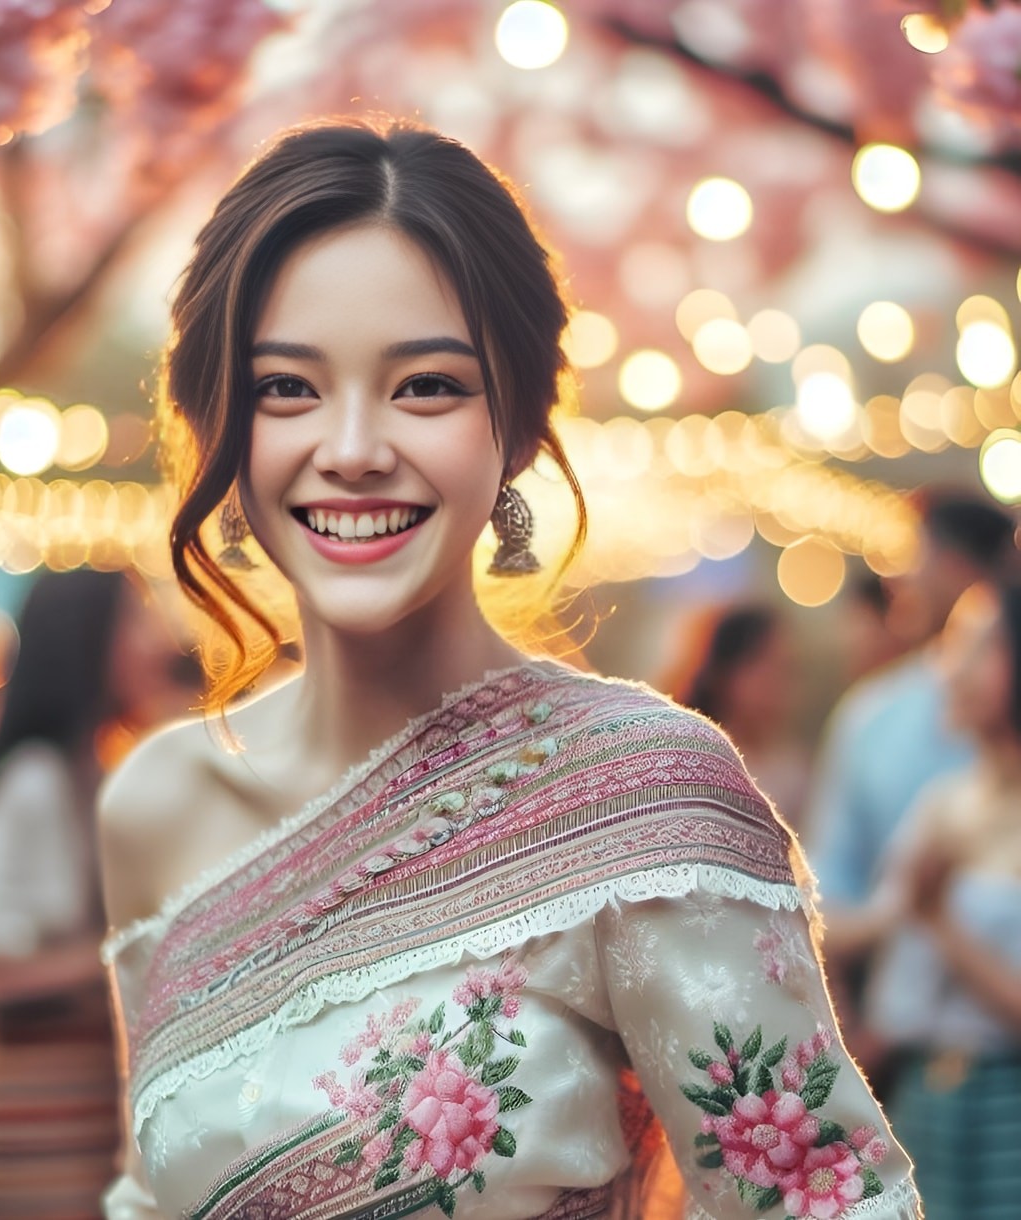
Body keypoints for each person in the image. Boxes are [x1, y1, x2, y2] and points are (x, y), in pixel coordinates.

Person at [98, 118, 921, 1220]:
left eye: (425, 386)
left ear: (520, 424)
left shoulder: (645, 794)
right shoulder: (152, 807)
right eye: (286, 388)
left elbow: (826, 1199)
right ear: (218, 427)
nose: (351, 447)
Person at [0, 568, 193, 1220]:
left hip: (77, 1121)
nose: (158, 640)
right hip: (37, 1127)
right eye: (137, 620)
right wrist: (139, 945)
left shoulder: (93, 771)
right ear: (90, 639)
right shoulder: (37, 782)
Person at [864, 580, 1021, 1218]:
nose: (950, 668)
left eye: (975, 648)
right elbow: (878, 926)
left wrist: (941, 922)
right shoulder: (945, 803)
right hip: (923, 1100)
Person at [659, 603, 810, 830]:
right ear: (723, 670)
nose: (775, 684)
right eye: (762, 665)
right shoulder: (691, 763)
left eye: (785, 668)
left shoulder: (794, 771)